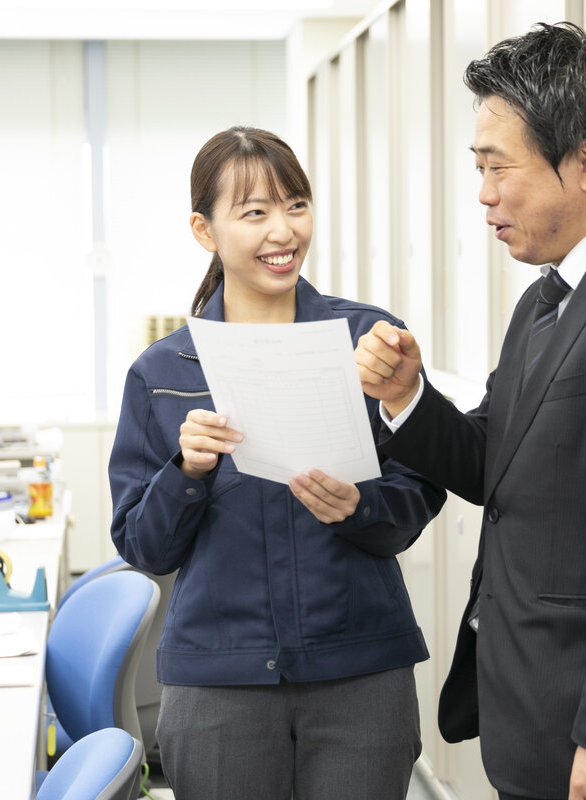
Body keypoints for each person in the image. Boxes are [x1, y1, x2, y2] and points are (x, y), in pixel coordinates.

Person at [355, 23, 586, 800]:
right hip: (533, 722)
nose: (486, 194)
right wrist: (407, 399)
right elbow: (498, 460)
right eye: (479, 169)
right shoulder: (547, 300)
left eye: (499, 167)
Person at [109, 126, 446, 800]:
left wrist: (360, 506)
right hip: (218, 686)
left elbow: (420, 494)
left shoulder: (368, 341)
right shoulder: (164, 372)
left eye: (295, 205)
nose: (282, 231)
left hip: (359, 677)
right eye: (254, 212)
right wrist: (186, 474)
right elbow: (144, 546)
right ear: (205, 231)